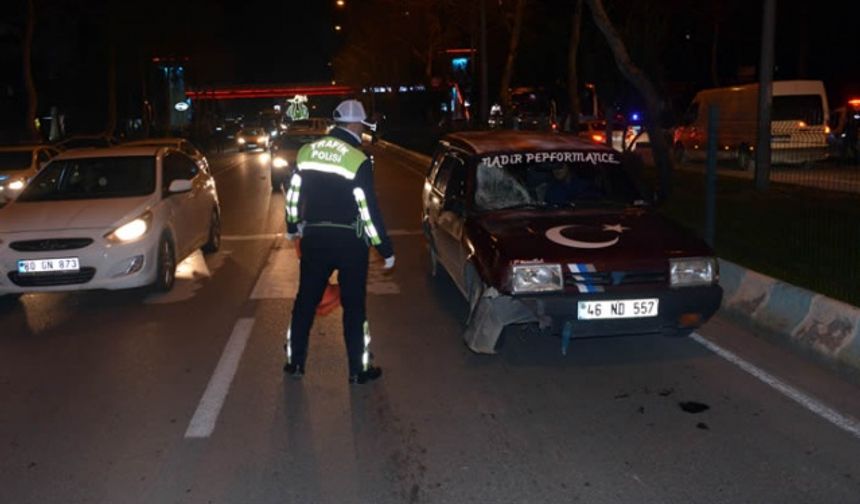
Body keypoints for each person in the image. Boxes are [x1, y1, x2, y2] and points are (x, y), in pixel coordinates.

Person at [283, 99, 394, 385]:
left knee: (305, 302)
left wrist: (292, 226)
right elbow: (367, 208)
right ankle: (359, 371)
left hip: (315, 240)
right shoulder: (358, 159)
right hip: (350, 243)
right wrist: (384, 248)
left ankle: (295, 363)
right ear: (356, 125)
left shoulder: (307, 152)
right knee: (354, 306)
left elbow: (293, 193)